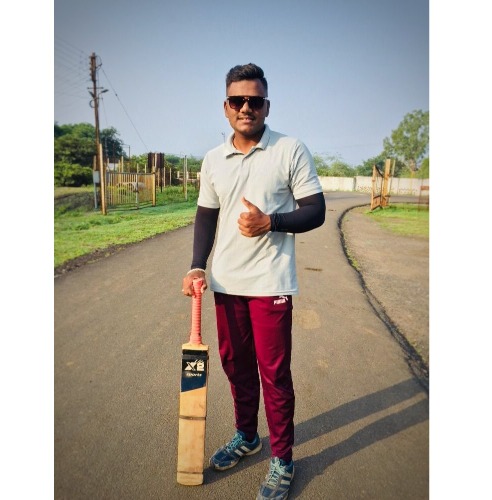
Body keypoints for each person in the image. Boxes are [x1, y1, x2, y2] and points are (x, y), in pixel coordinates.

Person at [182, 63, 326, 500]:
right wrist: (197, 265)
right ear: (226, 106)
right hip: (227, 284)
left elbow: (316, 210)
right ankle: (247, 436)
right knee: (236, 366)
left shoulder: (289, 149)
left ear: (266, 105)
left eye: (254, 100)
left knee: (274, 375)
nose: (246, 107)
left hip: (270, 283)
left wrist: (271, 222)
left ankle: (283, 459)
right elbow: (206, 216)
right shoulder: (213, 159)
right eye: (237, 100)